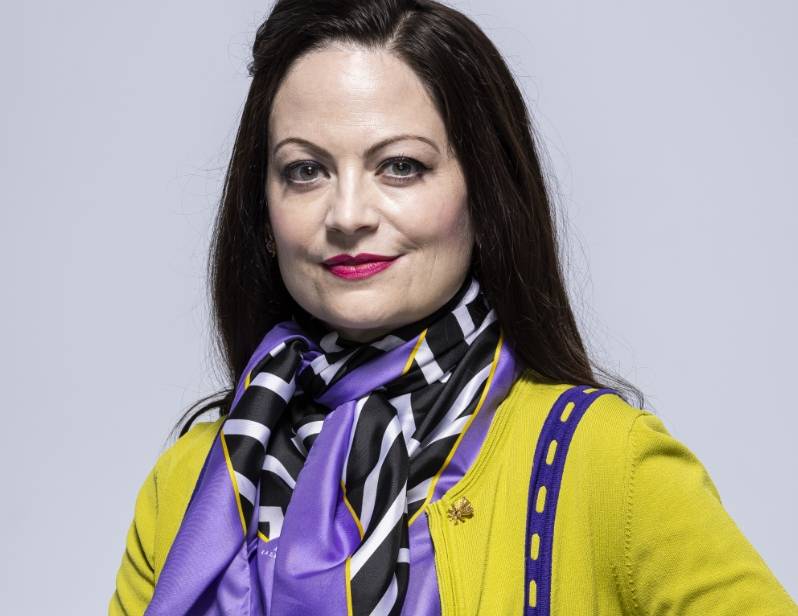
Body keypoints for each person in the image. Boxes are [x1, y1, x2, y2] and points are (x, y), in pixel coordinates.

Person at [109, 1, 797, 614]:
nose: (348, 214)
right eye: (306, 170)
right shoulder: (195, 482)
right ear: (264, 212)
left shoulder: (606, 464)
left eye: (400, 166)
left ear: (484, 192)